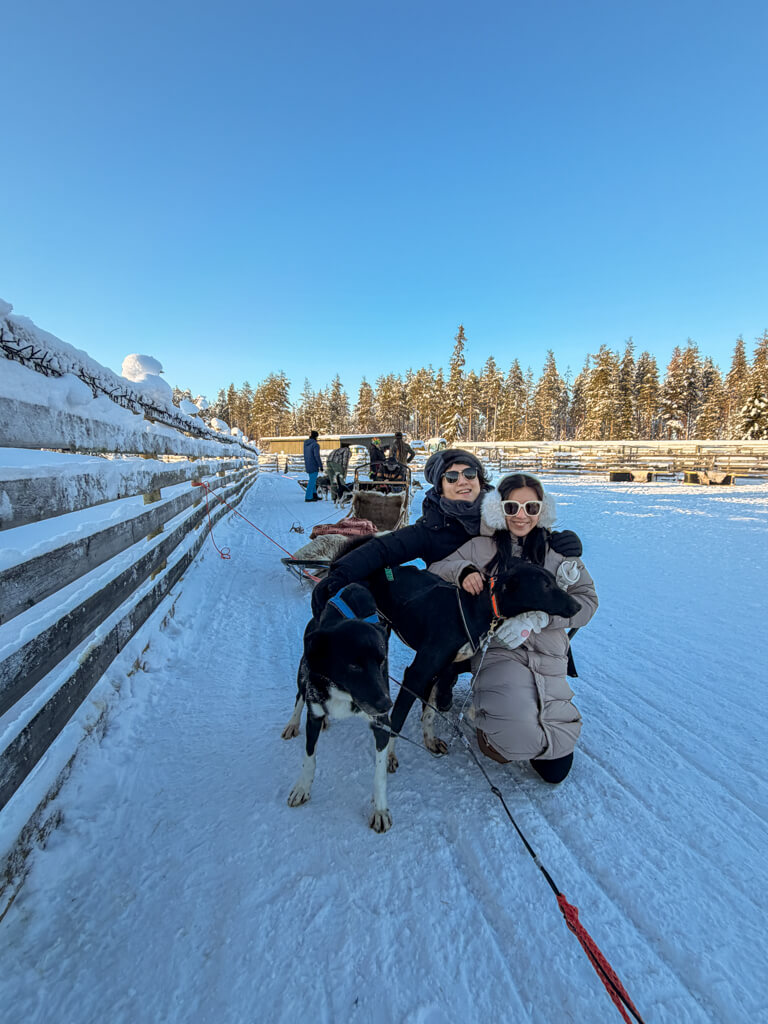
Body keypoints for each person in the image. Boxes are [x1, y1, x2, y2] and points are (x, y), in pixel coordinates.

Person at [427, 473, 598, 783]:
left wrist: (541, 619)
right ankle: (491, 723)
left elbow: (586, 601)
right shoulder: (482, 548)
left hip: (548, 650)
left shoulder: (557, 551)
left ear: (542, 510)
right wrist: (463, 571)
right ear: (498, 509)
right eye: (511, 507)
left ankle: (530, 727)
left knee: (555, 769)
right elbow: (436, 569)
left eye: (531, 508)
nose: (521, 516)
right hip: (499, 648)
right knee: (506, 746)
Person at [311, 449, 583, 617]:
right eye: (451, 477)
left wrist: (559, 539)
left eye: (469, 474)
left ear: (480, 479)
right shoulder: (431, 528)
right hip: (454, 615)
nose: (462, 481)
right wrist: (340, 574)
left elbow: (528, 525)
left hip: (507, 608)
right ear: (440, 487)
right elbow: (384, 549)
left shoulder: (500, 511)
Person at [303, 430, 323, 502]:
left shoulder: (306, 444)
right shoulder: (315, 445)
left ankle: (314, 495)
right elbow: (317, 456)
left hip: (308, 464)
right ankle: (308, 497)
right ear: (316, 436)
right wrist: (320, 465)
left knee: (313, 480)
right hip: (314, 465)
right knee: (312, 481)